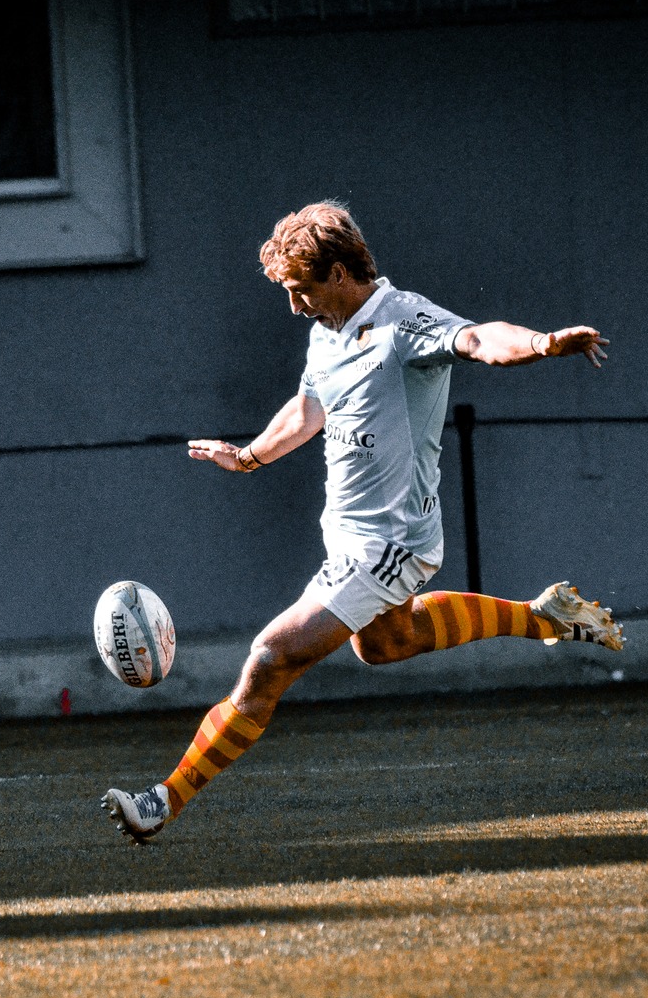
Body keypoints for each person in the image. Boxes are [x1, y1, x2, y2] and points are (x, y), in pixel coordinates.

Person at [103, 202, 621, 842]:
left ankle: (164, 800)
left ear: (341, 273)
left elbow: (481, 337)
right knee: (385, 646)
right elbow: (308, 408)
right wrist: (250, 456)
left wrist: (542, 344)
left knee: (270, 657)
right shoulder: (327, 333)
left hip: (388, 543)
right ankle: (544, 616)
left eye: (301, 291)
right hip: (351, 538)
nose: (295, 307)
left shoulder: (403, 321)